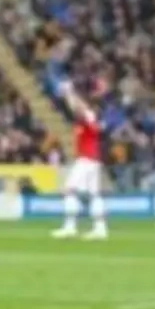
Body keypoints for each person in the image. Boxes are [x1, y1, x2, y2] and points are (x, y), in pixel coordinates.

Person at [51, 82, 108, 240]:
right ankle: (100, 229)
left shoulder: (89, 116)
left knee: (69, 190)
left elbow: (79, 108)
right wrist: (69, 95)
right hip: (92, 160)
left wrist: (70, 92)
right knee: (94, 195)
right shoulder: (86, 120)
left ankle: (70, 227)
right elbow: (77, 109)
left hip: (86, 160)